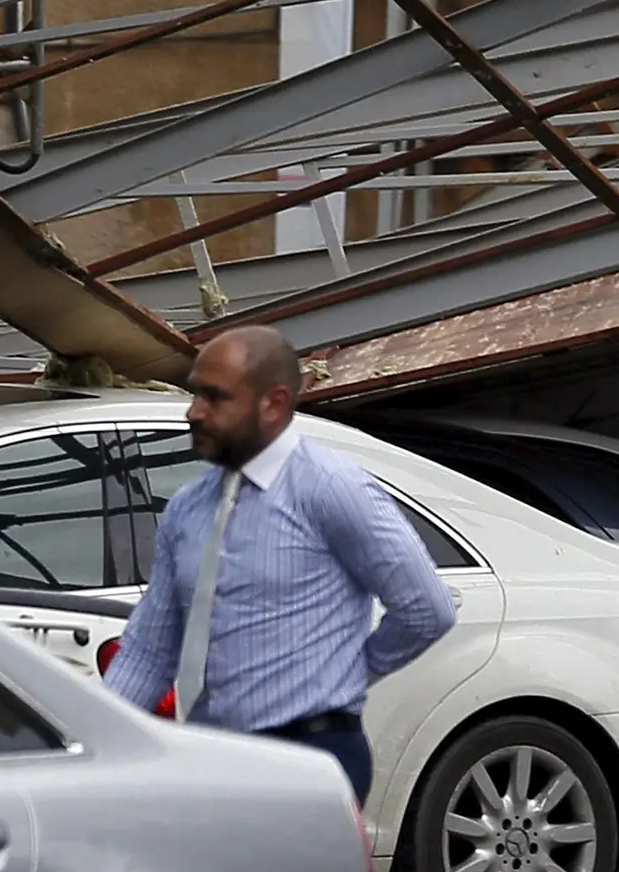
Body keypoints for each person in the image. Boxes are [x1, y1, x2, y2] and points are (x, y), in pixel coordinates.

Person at [104, 327, 459, 797]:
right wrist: (91, 741)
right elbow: (150, 652)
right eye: (195, 394)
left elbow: (426, 609)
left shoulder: (329, 487)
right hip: (212, 758)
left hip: (309, 759)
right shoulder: (188, 509)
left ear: (273, 403)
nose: (194, 412)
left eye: (215, 397)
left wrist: (344, 674)